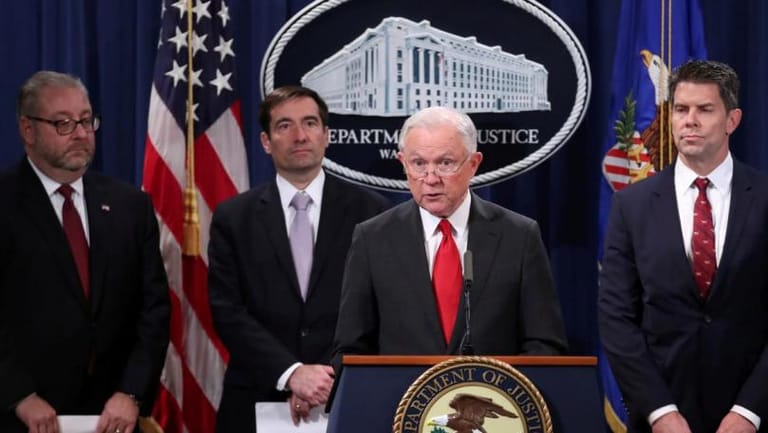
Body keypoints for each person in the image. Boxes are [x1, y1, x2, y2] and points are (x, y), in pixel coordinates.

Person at [598, 60, 768, 433]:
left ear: (732, 120)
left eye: (704, 110)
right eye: (680, 109)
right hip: (662, 417)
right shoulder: (631, 206)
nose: (689, 121)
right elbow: (616, 318)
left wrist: (750, 411)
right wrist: (660, 411)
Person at [207, 85, 389, 432]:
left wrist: (324, 377)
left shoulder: (371, 212)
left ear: (326, 135)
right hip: (256, 396)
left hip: (344, 394)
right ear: (266, 141)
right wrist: (291, 374)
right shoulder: (234, 218)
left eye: (309, 123)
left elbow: (378, 310)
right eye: (284, 125)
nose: (300, 135)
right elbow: (227, 310)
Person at [0, 70, 170, 433]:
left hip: (114, 416)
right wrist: (18, 396)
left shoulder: (130, 205)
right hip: (22, 416)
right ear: (27, 129)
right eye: (63, 123)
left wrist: (131, 392)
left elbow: (153, 310)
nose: (80, 133)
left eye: (86, 120)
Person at [332, 106, 568, 364]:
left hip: (487, 389)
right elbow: (351, 351)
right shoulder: (372, 238)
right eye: (418, 163)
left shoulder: (519, 236)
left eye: (445, 163)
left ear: (473, 164)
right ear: (403, 163)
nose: (431, 178)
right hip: (403, 392)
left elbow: (544, 345)